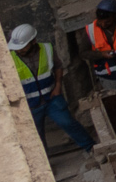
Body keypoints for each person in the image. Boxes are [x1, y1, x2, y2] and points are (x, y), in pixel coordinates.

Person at [11, 24, 97, 158]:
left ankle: (92, 148)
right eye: (17, 48)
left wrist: (57, 86)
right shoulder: (11, 58)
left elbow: (58, 67)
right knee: (35, 136)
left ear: (33, 41)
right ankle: (45, 166)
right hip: (29, 105)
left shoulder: (47, 48)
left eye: (23, 47)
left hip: (51, 98)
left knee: (67, 122)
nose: (19, 50)